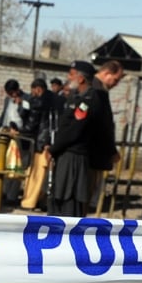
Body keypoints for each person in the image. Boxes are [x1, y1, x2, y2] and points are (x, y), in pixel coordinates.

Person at [45, 61, 104, 217]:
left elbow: (74, 130)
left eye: (71, 74)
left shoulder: (89, 99)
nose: (68, 77)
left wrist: (53, 149)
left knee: (70, 198)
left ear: (81, 79)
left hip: (74, 157)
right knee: (58, 195)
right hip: (65, 154)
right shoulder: (76, 97)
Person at [89, 60, 125, 207]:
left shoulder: (98, 89)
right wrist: (111, 150)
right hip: (92, 151)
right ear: (106, 73)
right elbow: (101, 125)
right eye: (115, 79)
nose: (115, 84)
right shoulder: (96, 91)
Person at [20, 78, 55, 210]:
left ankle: (29, 202)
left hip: (40, 142)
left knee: (35, 174)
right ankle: (42, 200)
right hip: (52, 142)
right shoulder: (55, 99)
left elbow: (32, 123)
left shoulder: (39, 102)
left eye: (33, 91)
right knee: (46, 175)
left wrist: (21, 131)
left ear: (38, 89)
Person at [0, 79, 30, 205]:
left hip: (20, 136)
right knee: (5, 165)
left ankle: (12, 195)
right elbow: (4, 115)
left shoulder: (26, 99)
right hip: (7, 134)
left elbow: (26, 116)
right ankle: (3, 192)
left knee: (17, 166)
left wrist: (20, 104)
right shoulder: (7, 100)